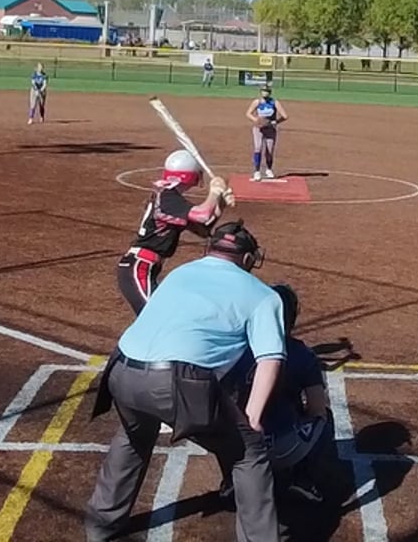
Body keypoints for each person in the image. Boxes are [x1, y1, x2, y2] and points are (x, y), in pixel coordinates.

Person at [84, 221, 286, 542]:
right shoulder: (263, 295)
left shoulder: (181, 273)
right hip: (174, 380)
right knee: (248, 452)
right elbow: (270, 358)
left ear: (210, 249)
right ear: (248, 259)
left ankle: (101, 526)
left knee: (135, 434)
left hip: (120, 370)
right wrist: (253, 416)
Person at [224, 284, 354, 510]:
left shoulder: (237, 348)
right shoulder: (302, 354)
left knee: (221, 415)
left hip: (242, 445)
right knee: (324, 417)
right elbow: (316, 408)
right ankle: (303, 479)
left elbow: (221, 394)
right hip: (285, 449)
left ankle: (230, 479)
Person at [116, 150, 232, 315]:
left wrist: (220, 203)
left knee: (161, 317)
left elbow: (203, 229)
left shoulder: (171, 200)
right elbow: (202, 215)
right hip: (139, 267)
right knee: (155, 317)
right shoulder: (168, 198)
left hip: (145, 266)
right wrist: (214, 192)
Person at [246, 85, 288, 180]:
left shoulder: (274, 102)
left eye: (267, 91)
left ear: (270, 92)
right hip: (259, 128)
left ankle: (268, 169)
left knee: (269, 150)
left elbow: (285, 116)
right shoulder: (257, 102)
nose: (265, 93)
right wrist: (256, 120)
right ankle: (257, 171)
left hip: (270, 129)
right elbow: (248, 113)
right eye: (263, 91)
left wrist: (275, 122)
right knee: (258, 148)